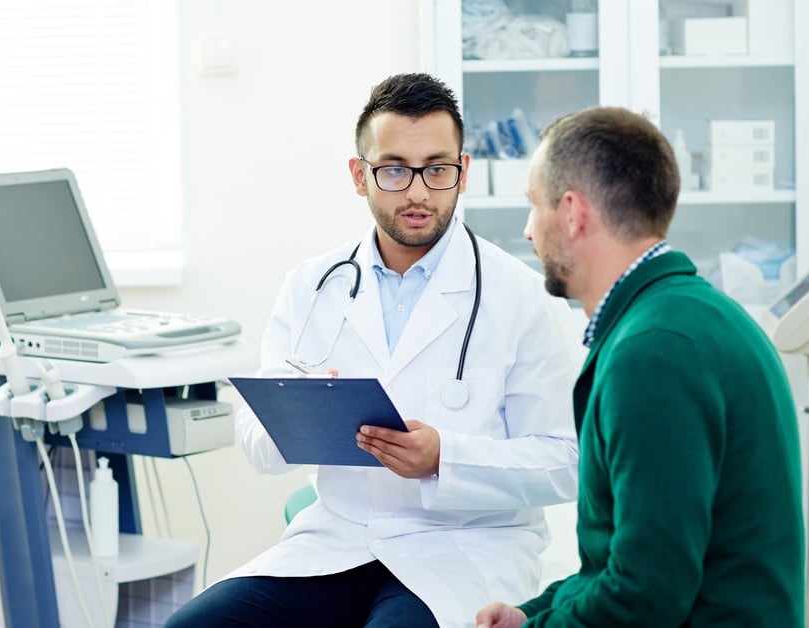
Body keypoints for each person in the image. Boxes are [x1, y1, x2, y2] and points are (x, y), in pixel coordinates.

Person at [165, 73, 584, 627]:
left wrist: (445, 458)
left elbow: (566, 460)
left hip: (464, 548)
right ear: (359, 176)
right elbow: (256, 445)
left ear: (463, 172)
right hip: (338, 541)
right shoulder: (311, 286)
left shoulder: (523, 296)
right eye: (393, 169)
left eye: (436, 169)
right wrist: (299, 411)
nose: (417, 191)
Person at [475, 106, 804, 627]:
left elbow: (645, 595)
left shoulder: (654, 353)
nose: (528, 231)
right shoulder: (691, 316)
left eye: (533, 206)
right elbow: (622, 564)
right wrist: (530, 614)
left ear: (572, 212)